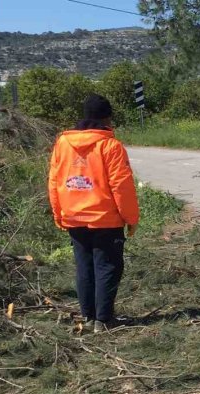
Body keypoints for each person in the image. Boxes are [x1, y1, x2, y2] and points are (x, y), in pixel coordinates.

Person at [48, 94, 139, 334]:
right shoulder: (111, 146)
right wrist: (131, 218)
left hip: (74, 217)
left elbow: (54, 181)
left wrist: (58, 213)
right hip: (105, 219)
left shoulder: (63, 143)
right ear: (107, 118)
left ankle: (88, 317)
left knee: (84, 267)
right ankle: (103, 320)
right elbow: (122, 185)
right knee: (107, 267)